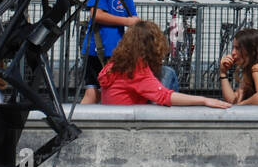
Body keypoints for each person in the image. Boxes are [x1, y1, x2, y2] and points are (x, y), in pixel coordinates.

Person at [98, 20, 229, 108]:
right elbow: (164, 96)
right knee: (168, 72)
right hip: (132, 126)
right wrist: (204, 100)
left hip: (116, 118)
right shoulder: (136, 69)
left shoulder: (114, 65)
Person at [80, 0, 137, 104]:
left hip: (115, 50)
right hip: (99, 48)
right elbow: (96, 15)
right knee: (95, 93)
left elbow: (133, 17)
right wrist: (127, 21)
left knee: (95, 93)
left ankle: (78, 120)